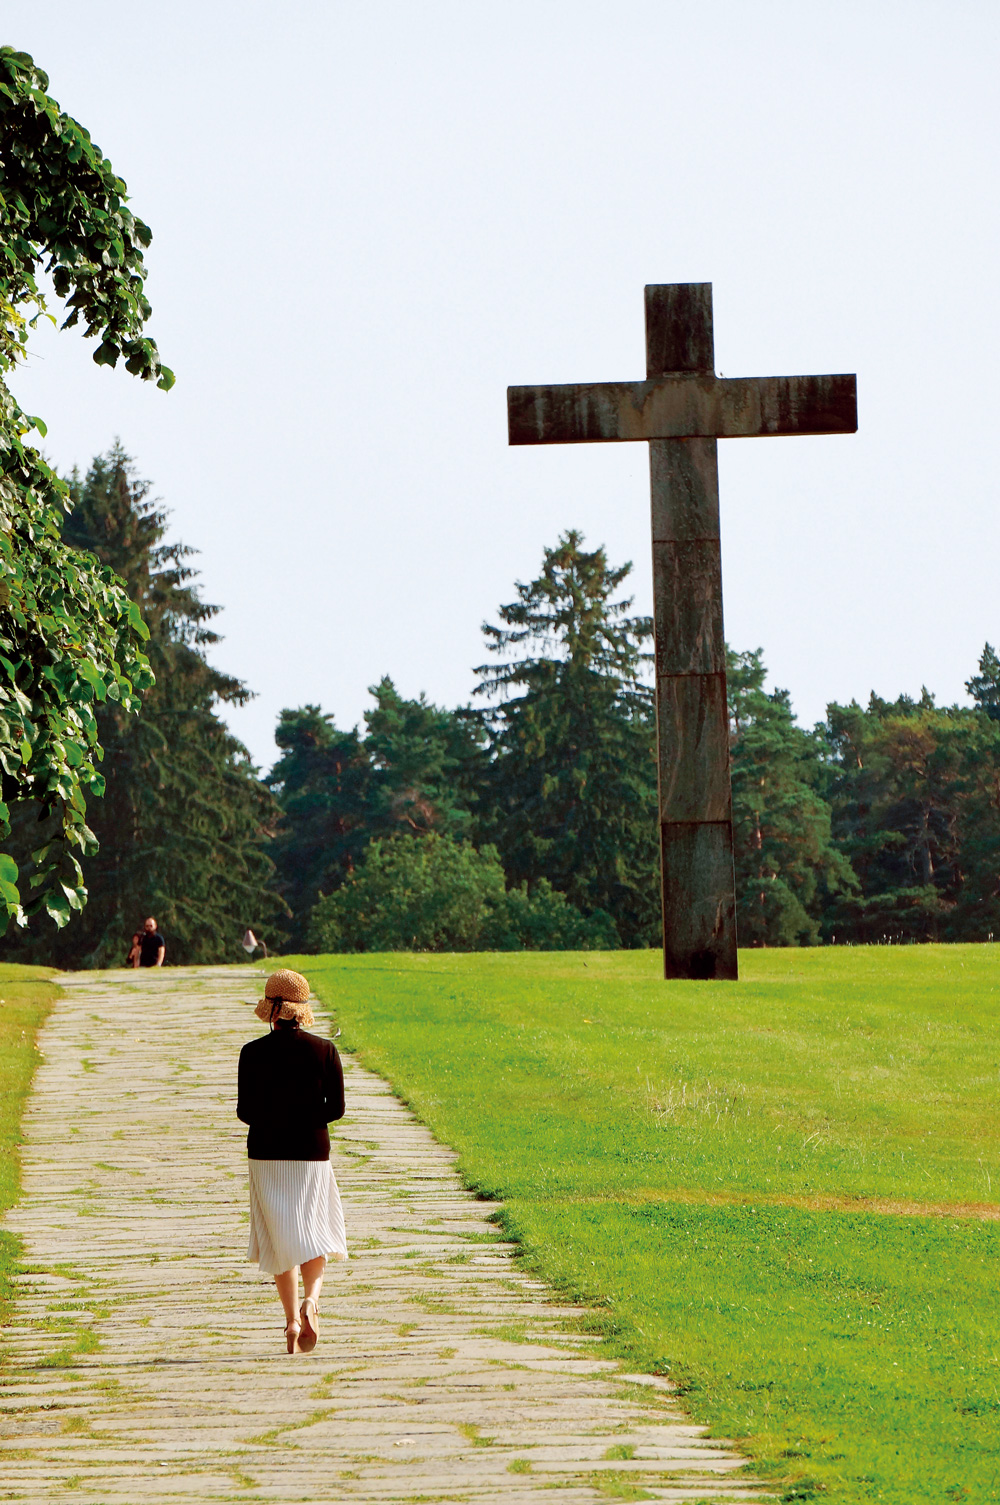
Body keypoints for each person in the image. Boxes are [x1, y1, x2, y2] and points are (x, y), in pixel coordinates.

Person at [236, 969, 347, 1354]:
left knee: (281, 1236)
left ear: (271, 1010)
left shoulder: (251, 1053)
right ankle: (312, 1303)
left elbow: (244, 1111)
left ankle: (290, 1321)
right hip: (312, 1154)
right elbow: (337, 1109)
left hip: (266, 1154)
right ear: (301, 1010)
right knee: (314, 1228)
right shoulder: (325, 1051)